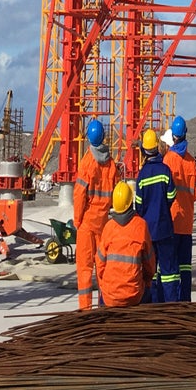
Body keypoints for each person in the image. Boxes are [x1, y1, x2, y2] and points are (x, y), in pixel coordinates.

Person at [74, 118, 120, 312]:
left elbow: (78, 195)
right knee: (103, 267)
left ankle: (85, 309)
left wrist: (77, 221)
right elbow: (117, 191)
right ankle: (104, 304)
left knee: (85, 270)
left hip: (86, 223)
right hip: (104, 223)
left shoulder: (87, 163)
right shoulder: (111, 164)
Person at [134, 126, 179, 302]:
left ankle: (152, 305)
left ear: (144, 150)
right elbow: (171, 196)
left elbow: (138, 205)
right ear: (157, 147)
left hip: (148, 231)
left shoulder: (142, 175)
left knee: (150, 271)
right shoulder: (165, 170)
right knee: (168, 272)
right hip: (165, 227)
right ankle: (171, 306)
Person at [96, 181, 155, 308]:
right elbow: (149, 265)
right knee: (151, 293)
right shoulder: (141, 225)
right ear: (130, 201)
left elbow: (100, 263)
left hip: (109, 296)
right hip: (134, 296)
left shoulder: (108, 227)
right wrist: (147, 282)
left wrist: (105, 285)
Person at [161, 114, 196, 302]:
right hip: (187, 223)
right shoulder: (192, 161)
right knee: (185, 266)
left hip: (172, 221)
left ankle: (172, 302)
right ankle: (185, 301)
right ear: (185, 134)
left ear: (173, 136)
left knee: (170, 267)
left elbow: (164, 191)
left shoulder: (168, 160)